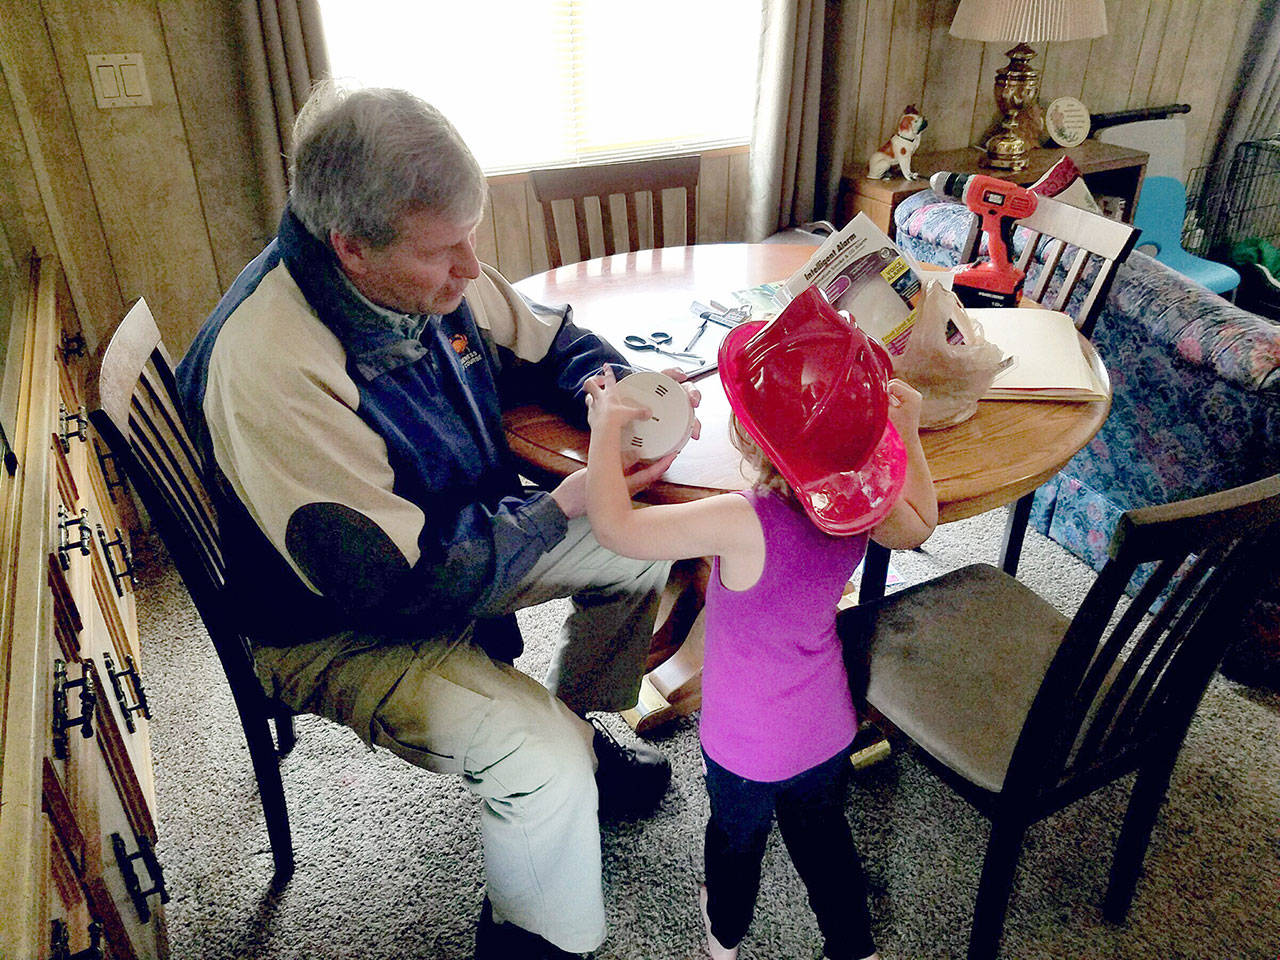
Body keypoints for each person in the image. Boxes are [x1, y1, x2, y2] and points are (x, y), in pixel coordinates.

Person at [175, 82, 700, 960]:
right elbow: (398, 586)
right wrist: (564, 503)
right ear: (350, 248)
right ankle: (535, 912)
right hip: (335, 623)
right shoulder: (270, 365)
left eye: (471, 236)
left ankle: (581, 727)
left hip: (455, 539)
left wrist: (602, 391)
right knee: (538, 766)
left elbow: (550, 340)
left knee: (642, 542)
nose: (470, 268)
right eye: (444, 250)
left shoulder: (418, 274)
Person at [582, 285, 938, 960]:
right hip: (826, 727)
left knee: (735, 844)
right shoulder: (864, 499)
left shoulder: (740, 519)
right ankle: (853, 947)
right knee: (825, 843)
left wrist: (605, 431)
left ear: (749, 435)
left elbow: (616, 527)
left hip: (743, 745)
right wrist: (908, 432)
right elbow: (921, 522)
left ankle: (724, 939)